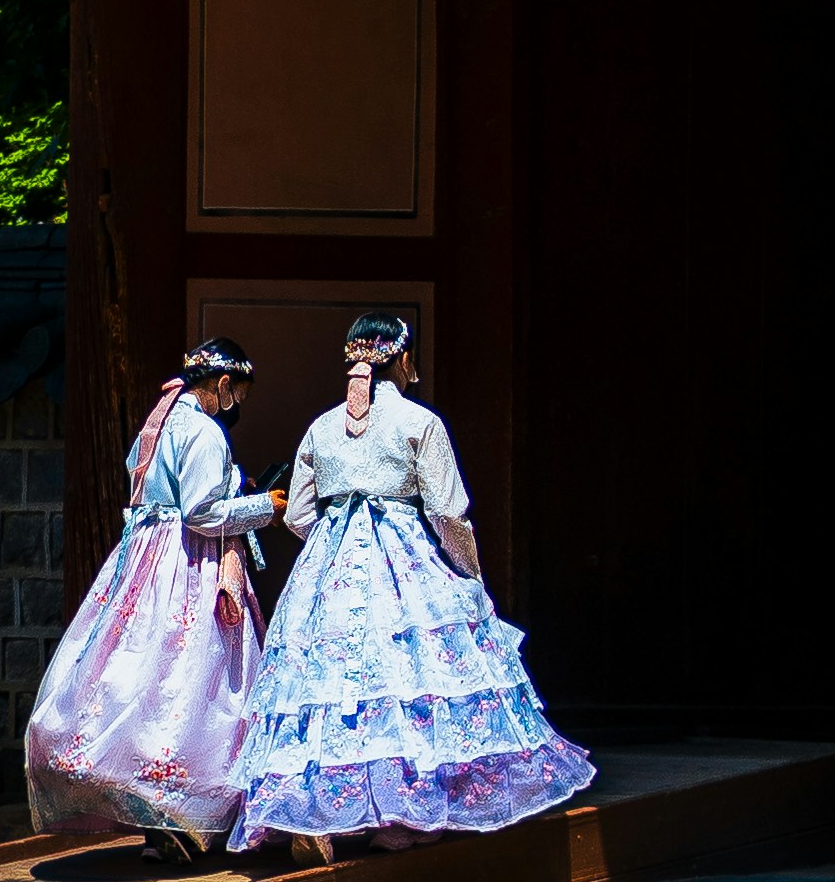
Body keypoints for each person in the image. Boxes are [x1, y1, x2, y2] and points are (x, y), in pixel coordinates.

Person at [232, 313, 595, 851]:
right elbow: (448, 512)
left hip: (332, 566)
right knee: (405, 680)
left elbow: (298, 514)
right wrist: (468, 570)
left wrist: (339, 544)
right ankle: (404, 814)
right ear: (402, 359)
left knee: (329, 687)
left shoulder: (321, 428)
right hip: (401, 560)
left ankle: (310, 811)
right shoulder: (419, 422)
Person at [23, 336, 279, 853]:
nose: (237, 407)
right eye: (238, 396)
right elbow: (202, 513)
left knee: (138, 672)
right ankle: (182, 812)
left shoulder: (155, 424)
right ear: (223, 386)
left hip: (140, 562)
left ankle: (156, 817)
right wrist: (263, 507)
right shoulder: (204, 431)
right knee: (193, 680)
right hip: (185, 563)